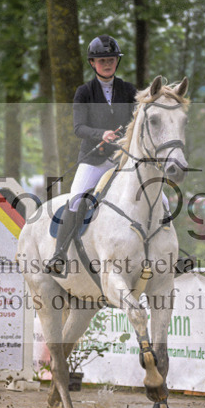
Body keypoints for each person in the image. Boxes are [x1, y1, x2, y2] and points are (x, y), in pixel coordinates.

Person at [46, 35, 138, 277]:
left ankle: (172, 252)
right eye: (102, 60)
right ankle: (59, 255)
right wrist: (102, 134)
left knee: (155, 194)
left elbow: (137, 120)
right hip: (94, 158)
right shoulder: (84, 92)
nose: (107, 64)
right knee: (76, 199)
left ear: (116, 62)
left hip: (123, 158)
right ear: (92, 63)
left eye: (111, 59)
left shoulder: (129, 90)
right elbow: (78, 128)